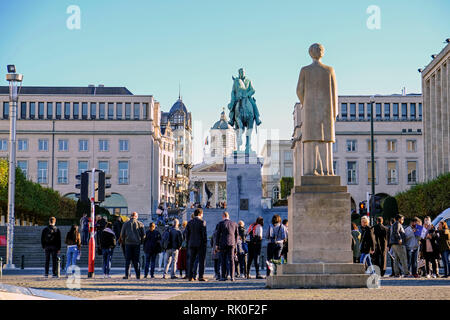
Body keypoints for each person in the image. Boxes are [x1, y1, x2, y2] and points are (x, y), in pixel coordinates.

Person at [119, 211, 145, 279]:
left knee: (128, 260)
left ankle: (127, 275)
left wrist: (124, 241)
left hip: (128, 243)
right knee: (136, 260)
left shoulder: (126, 224)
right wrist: (141, 242)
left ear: (131, 216)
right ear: (136, 216)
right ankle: (138, 275)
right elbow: (144, 235)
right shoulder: (140, 224)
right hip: (137, 244)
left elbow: (122, 234)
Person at [215, 212, 239, 281]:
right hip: (232, 243)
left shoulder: (221, 223)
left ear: (223, 216)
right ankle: (232, 276)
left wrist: (217, 244)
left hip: (223, 243)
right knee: (231, 260)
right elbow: (237, 235)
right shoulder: (234, 223)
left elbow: (218, 235)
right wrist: (235, 243)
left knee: (223, 260)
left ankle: (223, 276)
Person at [186, 208, 207, 281]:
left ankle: (190, 276)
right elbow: (204, 235)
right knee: (201, 260)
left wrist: (188, 243)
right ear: (200, 214)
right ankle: (201, 276)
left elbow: (187, 234)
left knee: (191, 260)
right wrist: (205, 243)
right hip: (200, 244)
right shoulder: (202, 222)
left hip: (191, 244)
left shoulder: (189, 222)